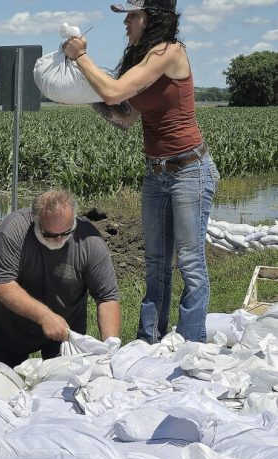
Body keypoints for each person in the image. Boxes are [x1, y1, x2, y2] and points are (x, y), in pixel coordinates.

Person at [64, 0, 218, 343]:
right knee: (155, 263)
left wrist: (81, 58)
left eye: (133, 14)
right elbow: (123, 118)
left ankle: (191, 346)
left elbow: (114, 90)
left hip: (189, 171)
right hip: (157, 173)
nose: (127, 23)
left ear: (154, 18)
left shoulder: (168, 52)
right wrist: (78, 91)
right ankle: (149, 342)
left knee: (190, 264)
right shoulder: (143, 61)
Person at [0, 189, 121, 368]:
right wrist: (45, 317)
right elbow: (2, 285)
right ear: (35, 220)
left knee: (62, 389)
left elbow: (107, 297)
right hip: (10, 331)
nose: (58, 240)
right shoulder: (13, 230)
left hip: (65, 332)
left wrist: (111, 347)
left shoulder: (90, 242)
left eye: (66, 232)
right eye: (49, 234)